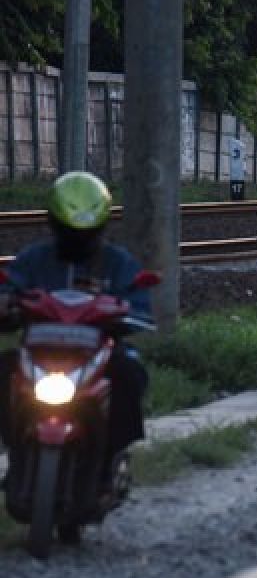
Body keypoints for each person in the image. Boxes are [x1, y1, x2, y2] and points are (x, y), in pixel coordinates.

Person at [0, 172, 150, 490]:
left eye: (88, 232)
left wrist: (130, 315)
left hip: (97, 353)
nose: (79, 239)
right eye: (69, 231)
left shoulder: (118, 263)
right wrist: (7, 305)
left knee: (129, 373)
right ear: (53, 223)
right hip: (39, 351)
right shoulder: (32, 260)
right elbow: (10, 288)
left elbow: (139, 304)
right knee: (3, 370)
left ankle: (111, 457)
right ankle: (15, 450)